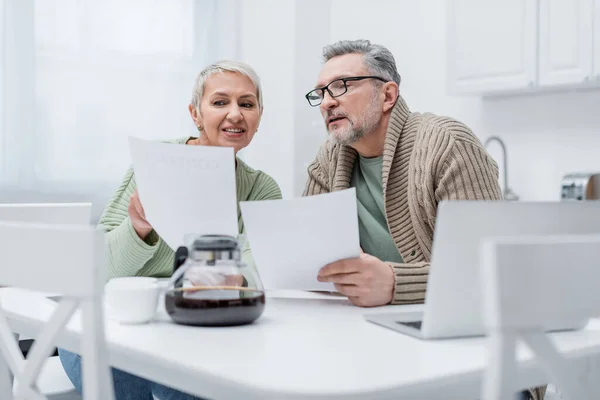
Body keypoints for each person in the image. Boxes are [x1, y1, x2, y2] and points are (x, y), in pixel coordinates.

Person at [302, 39, 543, 400]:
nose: (327, 101)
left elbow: (493, 275)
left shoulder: (447, 143)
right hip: (384, 343)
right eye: (320, 92)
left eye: (342, 86)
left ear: (387, 95)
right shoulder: (329, 158)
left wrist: (395, 283)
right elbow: (309, 258)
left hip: (478, 352)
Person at [59, 60, 282, 400]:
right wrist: (138, 228)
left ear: (259, 117)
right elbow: (98, 270)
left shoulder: (262, 189)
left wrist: (235, 278)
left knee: (203, 378)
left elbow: (258, 272)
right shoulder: (153, 164)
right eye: (220, 102)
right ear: (195, 114)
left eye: (247, 104)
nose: (235, 114)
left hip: (198, 333)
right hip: (117, 327)